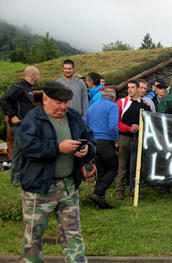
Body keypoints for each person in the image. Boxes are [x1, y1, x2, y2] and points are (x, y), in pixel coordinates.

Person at [18, 81, 96, 262]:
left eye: (65, 102)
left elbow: (90, 138)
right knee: (33, 236)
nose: (62, 107)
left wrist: (87, 150)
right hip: (40, 187)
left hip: (68, 186)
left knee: (73, 234)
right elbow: (27, 146)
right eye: (58, 102)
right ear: (45, 99)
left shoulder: (74, 117)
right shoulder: (33, 118)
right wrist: (58, 147)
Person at [0, 66, 39, 184]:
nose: (38, 77)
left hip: (26, 125)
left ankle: (18, 177)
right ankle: (18, 177)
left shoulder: (28, 88)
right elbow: (4, 99)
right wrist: (12, 115)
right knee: (23, 149)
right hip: (19, 124)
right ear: (32, 75)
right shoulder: (19, 86)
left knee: (20, 150)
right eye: (37, 75)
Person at [115, 80, 151, 200]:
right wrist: (129, 128)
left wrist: (141, 127)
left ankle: (134, 190)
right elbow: (116, 122)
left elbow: (149, 122)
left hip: (139, 138)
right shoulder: (121, 103)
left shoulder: (145, 105)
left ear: (138, 89)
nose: (130, 90)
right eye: (128, 87)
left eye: (132, 87)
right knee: (123, 165)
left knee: (136, 166)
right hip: (125, 137)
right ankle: (119, 190)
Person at [85, 88, 119, 209]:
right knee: (113, 168)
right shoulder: (112, 106)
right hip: (106, 140)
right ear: (113, 97)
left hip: (93, 141)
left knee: (101, 171)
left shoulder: (92, 107)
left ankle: (99, 200)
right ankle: (98, 193)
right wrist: (116, 140)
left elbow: (86, 125)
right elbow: (113, 126)